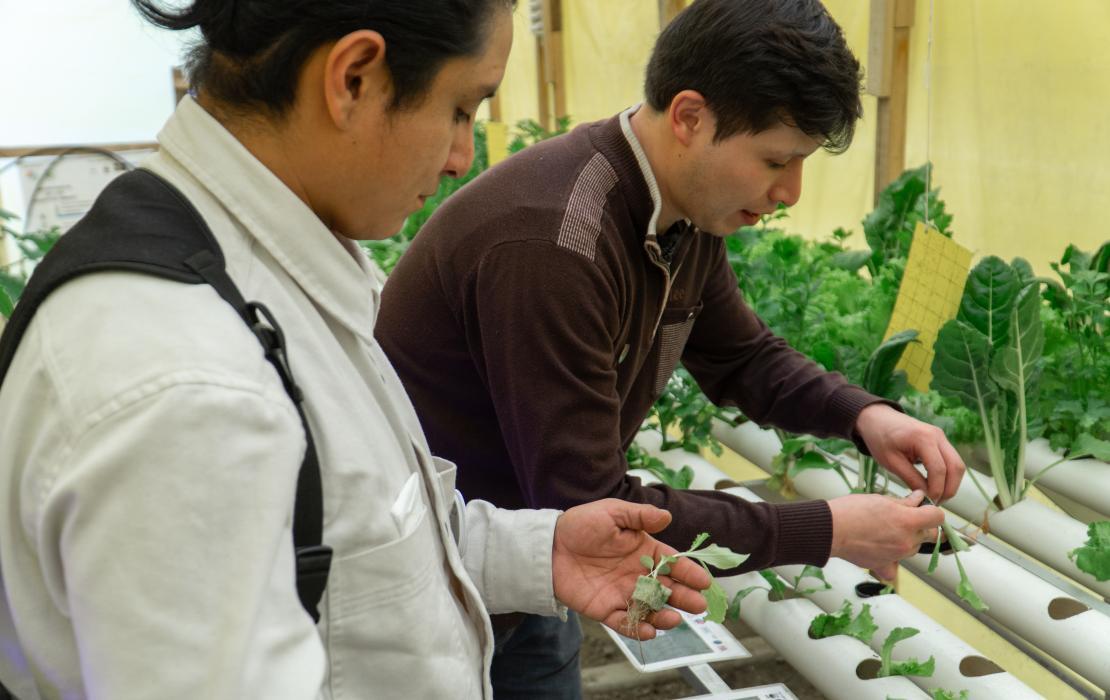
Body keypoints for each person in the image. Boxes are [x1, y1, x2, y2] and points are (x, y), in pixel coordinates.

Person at [0, 1, 714, 698]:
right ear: (354, 79)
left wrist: (542, 551)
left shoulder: (256, 272)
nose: (462, 158)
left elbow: (353, 545)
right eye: (461, 109)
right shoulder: (189, 389)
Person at [375, 0, 964, 697]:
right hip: (444, 584)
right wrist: (827, 528)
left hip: (534, 571)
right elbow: (592, 505)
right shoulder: (555, 245)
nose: (790, 192)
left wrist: (869, 418)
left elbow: (741, 357)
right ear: (689, 117)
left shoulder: (683, 211)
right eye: (776, 160)